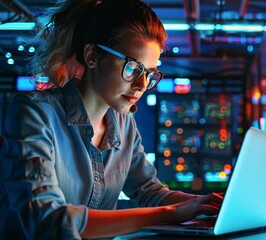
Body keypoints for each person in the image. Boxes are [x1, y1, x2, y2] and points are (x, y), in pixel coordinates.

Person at [0, 0, 223, 238]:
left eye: (149, 74)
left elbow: (149, 190)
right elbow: (47, 219)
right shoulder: (33, 113)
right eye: (132, 68)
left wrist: (204, 204)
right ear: (92, 56)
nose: (141, 86)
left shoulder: (124, 124)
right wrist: (169, 212)